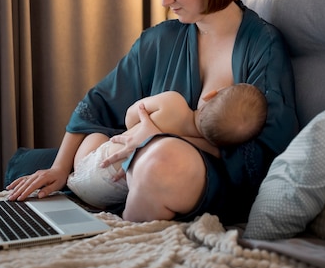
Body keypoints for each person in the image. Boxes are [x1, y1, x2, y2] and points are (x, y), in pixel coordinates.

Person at [6, 0, 298, 225]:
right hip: (133, 164)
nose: (164, 0)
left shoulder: (262, 46)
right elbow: (97, 104)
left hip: (206, 180)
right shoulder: (160, 40)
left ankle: (126, 224)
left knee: (163, 157)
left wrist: (168, 131)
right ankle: (114, 190)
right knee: (56, 158)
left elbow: (262, 156)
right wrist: (60, 168)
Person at [66, 83, 268, 208]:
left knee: (98, 135)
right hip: (110, 194)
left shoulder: (174, 103)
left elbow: (130, 117)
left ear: (210, 95)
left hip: (90, 169)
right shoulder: (208, 149)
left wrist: (142, 127)